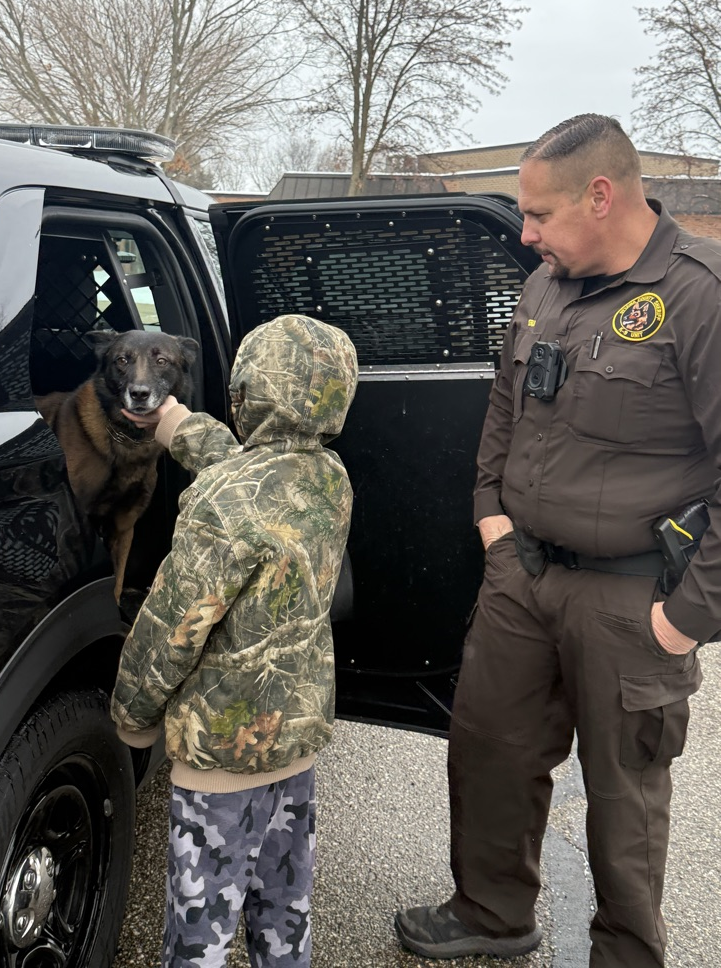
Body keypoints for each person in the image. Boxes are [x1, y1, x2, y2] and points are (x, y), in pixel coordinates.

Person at [395, 113, 721, 967]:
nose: (527, 234)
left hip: (632, 596)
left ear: (602, 196)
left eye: (539, 215)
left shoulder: (697, 295)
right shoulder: (547, 285)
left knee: (625, 798)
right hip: (523, 572)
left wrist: (685, 617)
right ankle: (492, 914)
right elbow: (507, 402)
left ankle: (625, 952)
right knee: (489, 751)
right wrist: (492, 519)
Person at [111, 314, 358, 968]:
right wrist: (172, 422)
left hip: (220, 761)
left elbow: (173, 626)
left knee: (201, 932)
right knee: (283, 914)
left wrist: (132, 715)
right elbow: (252, 479)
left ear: (249, 390)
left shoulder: (224, 502)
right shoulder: (329, 478)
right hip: (295, 744)